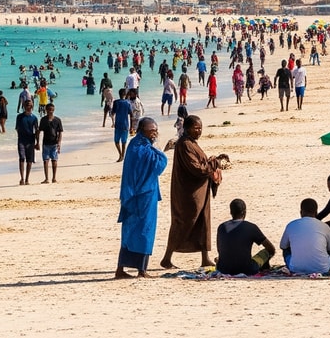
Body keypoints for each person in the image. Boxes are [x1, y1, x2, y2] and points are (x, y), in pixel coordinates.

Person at [161, 115, 220, 270]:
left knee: (203, 221)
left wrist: (211, 162)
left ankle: (205, 258)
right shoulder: (185, 144)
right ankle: (166, 258)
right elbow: (196, 168)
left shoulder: (193, 143)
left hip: (200, 191)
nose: (199, 131)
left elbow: (201, 164)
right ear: (187, 128)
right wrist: (212, 164)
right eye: (196, 128)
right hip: (188, 194)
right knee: (182, 223)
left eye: (200, 128)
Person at [115, 118, 171, 279]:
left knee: (133, 231)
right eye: (151, 130)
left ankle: (125, 269)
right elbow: (160, 163)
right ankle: (140, 270)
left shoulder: (135, 145)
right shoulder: (142, 148)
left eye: (155, 130)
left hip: (138, 194)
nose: (154, 133)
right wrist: (157, 147)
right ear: (142, 130)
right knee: (143, 231)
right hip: (142, 196)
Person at [215, 198, 275, 275]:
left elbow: (219, 249)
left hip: (223, 269)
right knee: (266, 252)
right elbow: (270, 248)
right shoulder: (251, 227)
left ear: (231, 212)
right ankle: (264, 266)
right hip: (247, 269)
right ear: (244, 212)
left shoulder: (221, 227)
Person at [280, 198, 330, 275]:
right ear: (316, 212)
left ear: (301, 212)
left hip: (296, 268)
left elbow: (283, 246)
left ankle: (298, 263)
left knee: (286, 250)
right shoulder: (324, 226)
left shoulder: (291, 225)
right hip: (323, 268)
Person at [14, 100, 40, 185]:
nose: (28, 106)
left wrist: (37, 142)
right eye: (26, 105)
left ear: (32, 106)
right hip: (21, 140)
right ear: (24, 106)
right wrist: (19, 136)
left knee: (29, 160)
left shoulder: (34, 118)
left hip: (30, 140)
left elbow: (36, 131)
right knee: (21, 158)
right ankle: (22, 178)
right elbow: (17, 128)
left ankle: (27, 179)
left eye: (29, 105)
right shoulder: (19, 117)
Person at [39, 102, 64, 184]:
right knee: (45, 160)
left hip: (54, 143)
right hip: (45, 143)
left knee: (54, 160)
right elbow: (39, 131)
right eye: (49, 110)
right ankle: (46, 178)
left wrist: (59, 143)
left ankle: (54, 178)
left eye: (52, 110)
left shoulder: (57, 120)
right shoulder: (43, 120)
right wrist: (37, 142)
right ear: (46, 110)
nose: (50, 111)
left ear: (54, 110)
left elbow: (60, 132)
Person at [111, 90, 134, 161]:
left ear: (119, 94)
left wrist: (113, 122)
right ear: (125, 94)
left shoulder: (116, 102)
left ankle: (120, 154)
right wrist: (131, 127)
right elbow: (131, 115)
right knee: (124, 142)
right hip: (125, 125)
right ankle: (122, 155)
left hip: (118, 124)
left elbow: (113, 113)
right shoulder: (128, 103)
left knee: (116, 141)